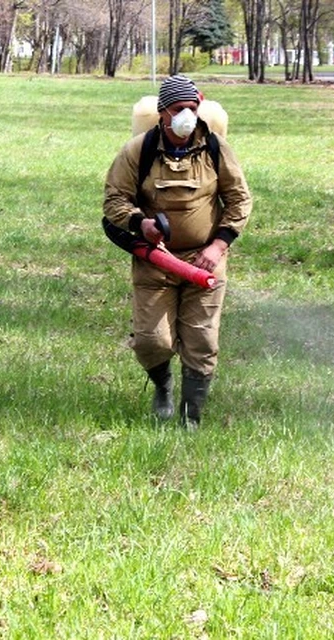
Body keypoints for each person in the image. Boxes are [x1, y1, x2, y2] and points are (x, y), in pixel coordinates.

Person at [103, 75, 253, 428]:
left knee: (201, 343)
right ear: (162, 113)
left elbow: (240, 199)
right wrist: (140, 223)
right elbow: (114, 200)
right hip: (155, 262)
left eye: (192, 107)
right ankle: (162, 384)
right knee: (152, 341)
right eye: (178, 109)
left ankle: (191, 420)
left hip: (206, 263)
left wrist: (218, 245)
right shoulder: (138, 151)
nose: (187, 115)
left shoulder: (215, 148)